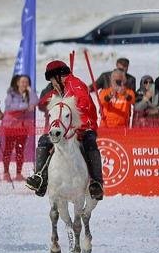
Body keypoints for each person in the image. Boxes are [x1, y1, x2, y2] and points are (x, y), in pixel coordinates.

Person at [25, 60, 104, 200]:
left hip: (85, 127)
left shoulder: (76, 84)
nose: (52, 84)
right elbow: (43, 103)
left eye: (52, 80)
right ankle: (40, 179)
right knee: (44, 140)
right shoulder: (58, 90)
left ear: (58, 76)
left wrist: (73, 125)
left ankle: (96, 183)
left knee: (90, 143)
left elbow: (84, 105)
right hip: (65, 131)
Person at [1, 75, 38, 182]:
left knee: (20, 149)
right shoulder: (11, 93)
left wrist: (30, 91)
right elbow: (10, 106)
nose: (24, 84)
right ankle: (6, 172)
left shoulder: (28, 94)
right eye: (22, 82)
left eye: (26, 82)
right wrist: (26, 106)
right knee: (8, 148)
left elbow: (35, 101)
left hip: (23, 126)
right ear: (17, 83)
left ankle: (18, 173)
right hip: (11, 126)